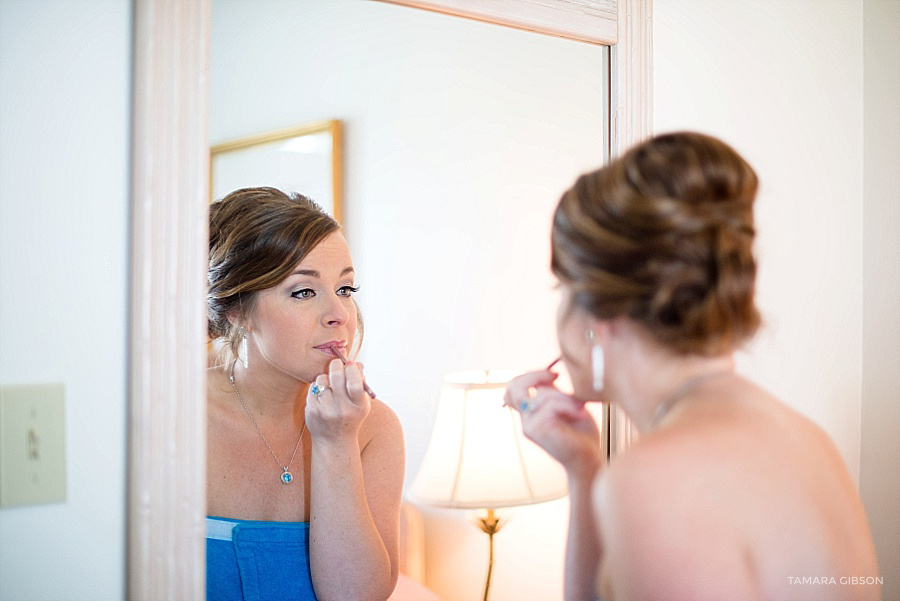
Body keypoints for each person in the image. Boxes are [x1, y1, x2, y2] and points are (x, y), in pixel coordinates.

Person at [505, 132, 881, 601]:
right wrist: (584, 470)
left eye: (561, 290)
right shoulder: (807, 438)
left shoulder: (653, 480)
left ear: (598, 315)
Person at [206, 187, 405, 601]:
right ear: (238, 310)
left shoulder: (373, 428)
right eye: (304, 292)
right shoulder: (179, 418)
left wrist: (337, 443)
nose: (339, 315)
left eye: (346, 289)